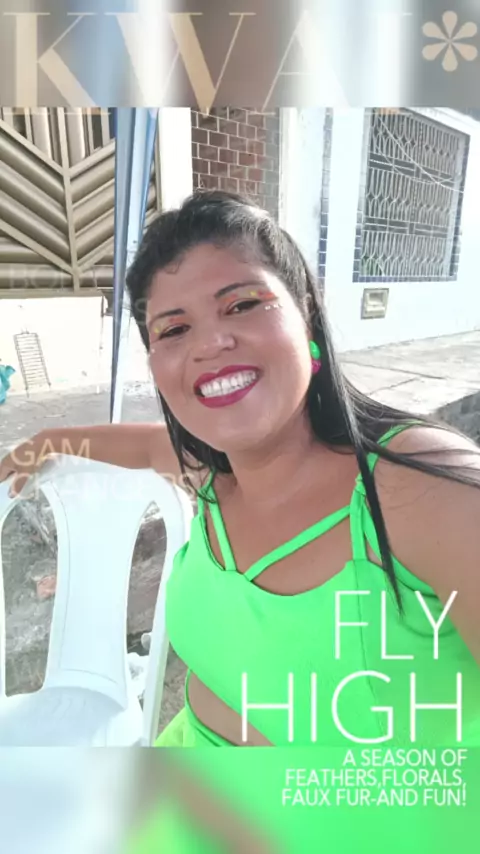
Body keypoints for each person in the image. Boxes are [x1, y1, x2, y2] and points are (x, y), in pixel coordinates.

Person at [1, 190, 479, 751]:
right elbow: (143, 447)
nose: (211, 344)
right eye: (173, 330)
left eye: (242, 305)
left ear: (307, 316)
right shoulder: (213, 475)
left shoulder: (424, 489)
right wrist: (42, 444)